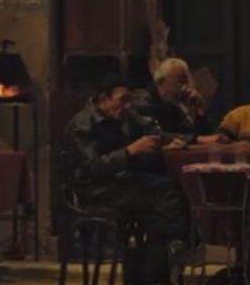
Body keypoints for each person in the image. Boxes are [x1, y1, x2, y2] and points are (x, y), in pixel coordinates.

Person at [62, 74, 189, 285]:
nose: (128, 105)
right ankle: (165, 259)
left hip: (119, 183)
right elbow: (92, 167)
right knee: (166, 195)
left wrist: (173, 141)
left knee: (166, 196)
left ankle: (153, 264)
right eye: (122, 99)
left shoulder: (123, 115)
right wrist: (130, 151)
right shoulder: (81, 125)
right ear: (104, 99)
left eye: (130, 99)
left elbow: (152, 130)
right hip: (94, 190)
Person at [132, 58, 222, 144]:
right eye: (179, 82)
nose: (185, 88)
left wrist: (200, 111)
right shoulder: (142, 99)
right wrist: (196, 139)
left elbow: (202, 135)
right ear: (161, 81)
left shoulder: (175, 103)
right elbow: (153, 134)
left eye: (186, 82)